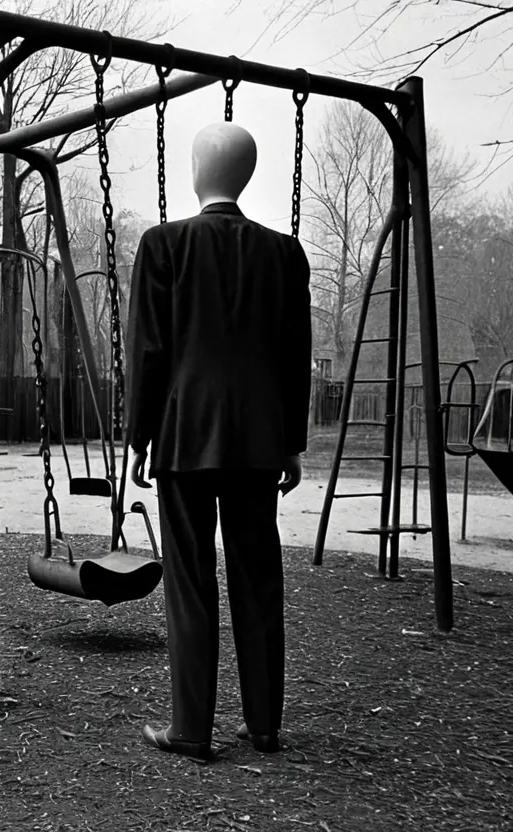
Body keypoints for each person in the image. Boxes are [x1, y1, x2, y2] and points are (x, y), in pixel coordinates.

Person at [125, 121, 312, 762]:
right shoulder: (284, 254)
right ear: (246, 175)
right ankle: (263, 725)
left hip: (185, 439)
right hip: (259, 444)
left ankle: (190, 729)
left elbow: (149, 353)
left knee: (191, 583)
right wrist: (291, 442)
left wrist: (139, 435)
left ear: (197, 171)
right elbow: (295, 356)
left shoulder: (163, 246)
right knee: (259, 579)